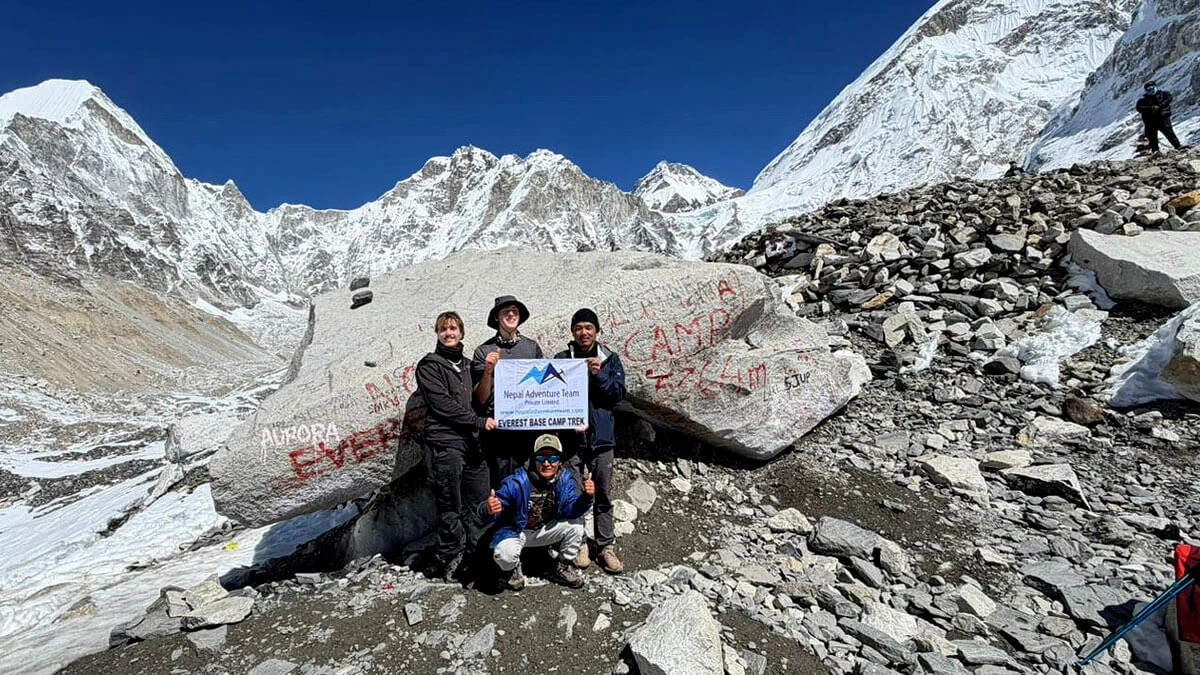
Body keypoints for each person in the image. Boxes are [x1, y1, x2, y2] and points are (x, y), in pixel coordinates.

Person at [415, 311, 497, 582]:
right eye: (443, 329)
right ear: (437, 333)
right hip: (445, 443)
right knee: (450, 505)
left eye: (453, 328)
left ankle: (478, 555)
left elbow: (479, 399)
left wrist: (488, 372)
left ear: (461, 332)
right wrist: (478, 421)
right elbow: (442, 406)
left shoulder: (467, 365)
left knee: (479, 502)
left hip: (472, 444)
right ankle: (451, 557)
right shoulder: (429, 366)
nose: (448, 333)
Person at [555, 308, 627, 574]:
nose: (583, 332)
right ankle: (580, 542)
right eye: (578, 328)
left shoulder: (610, 359)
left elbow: (618, 394)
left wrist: (600, 375)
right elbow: (552, 397)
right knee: (574, 492)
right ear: (572, 332)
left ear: (597, 331)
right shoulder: (562, 360)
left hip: (602, 439)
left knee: (603, 493)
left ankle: (605, 545)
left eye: (588, 327)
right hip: (572, 440)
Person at [479, 434, 593, 591]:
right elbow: (488, 513)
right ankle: (511, 570)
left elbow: (571, 511)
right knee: (505, 553)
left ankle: (562, 566)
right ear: (533, 460)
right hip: (517, 531)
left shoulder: (565, 480)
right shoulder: (516, 482)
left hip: (545, 529)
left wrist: (586, 497)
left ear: (560, 461)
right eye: (541, 458)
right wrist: (488, 509)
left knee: (576, 526)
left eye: (552, 458)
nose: (546, 463)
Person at [471, 295, 546, 487]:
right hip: (498, 433)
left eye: (515, 311)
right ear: (496, 317)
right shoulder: (483, 351)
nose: (511, 314)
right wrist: (488, 371)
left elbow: (543, 388)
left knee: (529, 484)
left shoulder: (532, 348)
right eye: (506, 311)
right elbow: (481, 399)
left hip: (528, 429)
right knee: (502, 485)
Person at [1137, 82, 1186, 154]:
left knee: (1169, 133)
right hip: (1150, 121)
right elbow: (1139, 108)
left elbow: (1168, 99)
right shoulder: (1142, 100)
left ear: (1156, 87)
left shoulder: (1164, 94)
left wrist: (1159, 106)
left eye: (1152, 88)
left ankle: (1177, 146)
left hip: (1163, 118)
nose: (1151, 91)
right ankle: (1155, 151)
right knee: (1152, 136)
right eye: (1149, 89)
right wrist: (1150, 108)